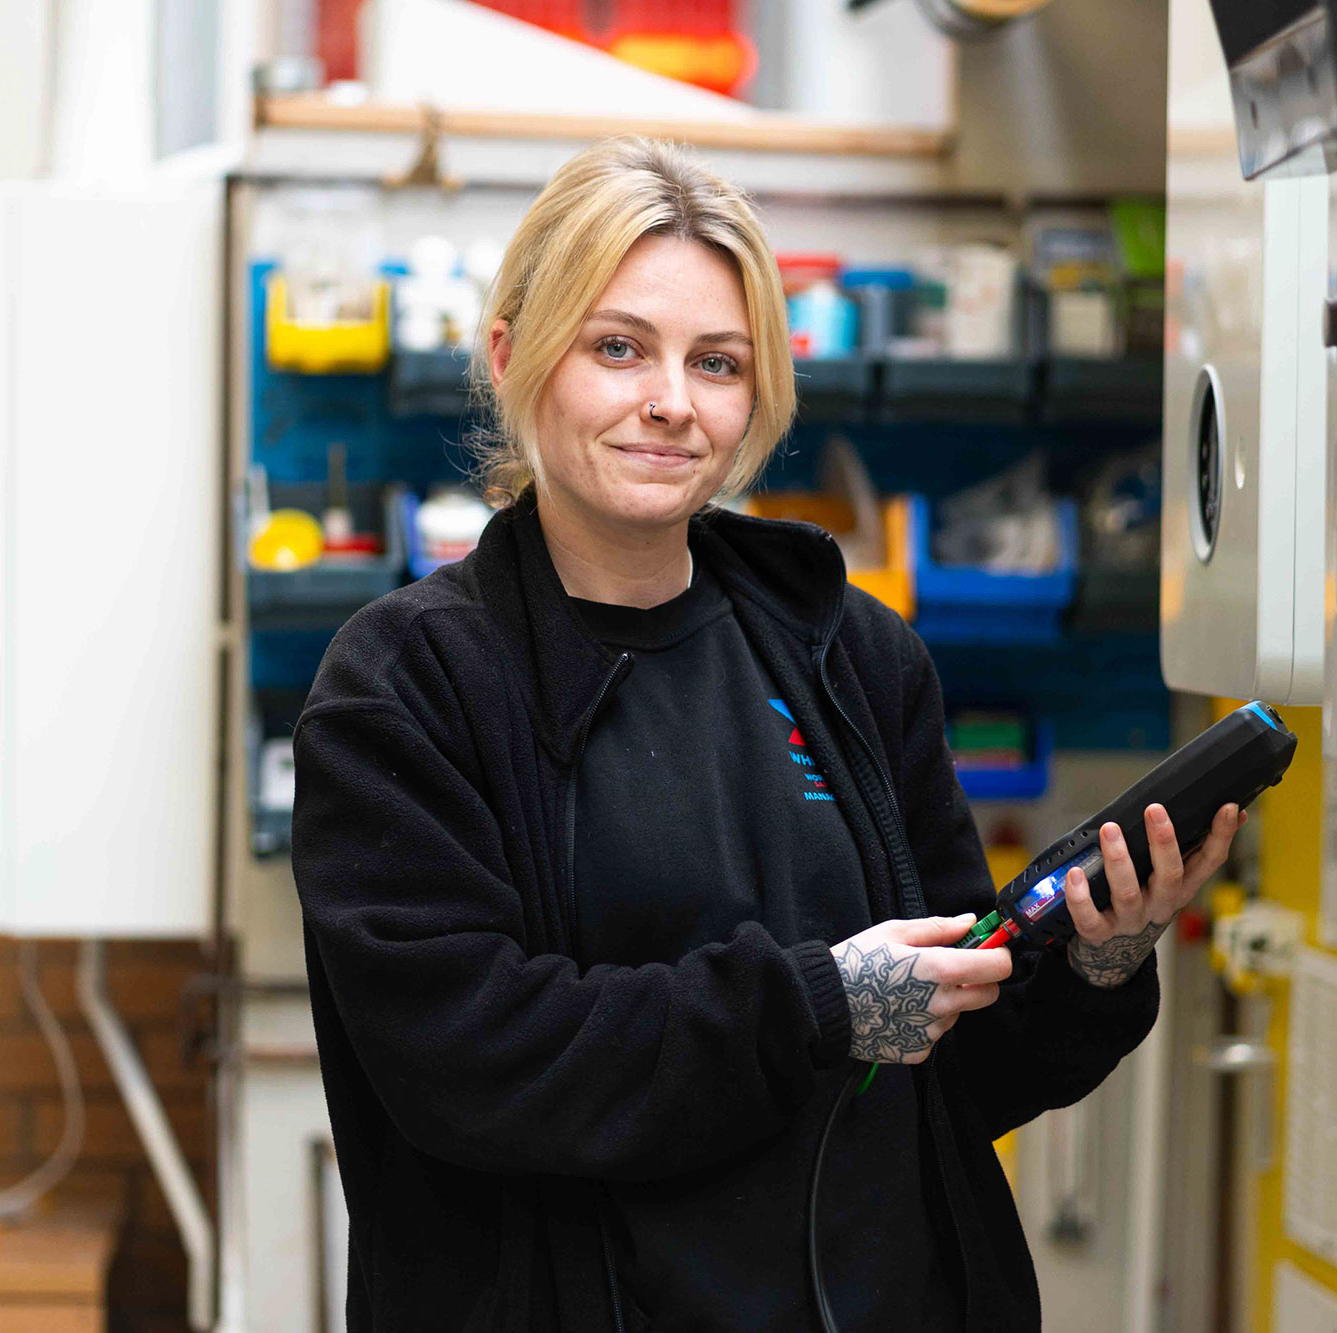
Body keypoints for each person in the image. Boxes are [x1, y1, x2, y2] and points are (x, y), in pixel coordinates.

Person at [291, 136, 1242, 1333]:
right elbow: (473, 1062)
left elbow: (954, 1073)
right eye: (617, 347)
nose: (671, 402)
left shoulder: (847, 654)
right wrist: (818, 1006)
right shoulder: (409, 683)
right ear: (513, 359)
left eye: (718, 362)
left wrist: (1097, 955)